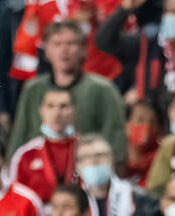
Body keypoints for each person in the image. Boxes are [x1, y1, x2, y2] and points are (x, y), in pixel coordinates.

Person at [12, 20, 126, 162]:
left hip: (85, 171)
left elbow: (115, 141)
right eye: (57, 44)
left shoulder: (103, 89)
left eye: (71, 43)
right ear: (46, 50)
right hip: (38, 173)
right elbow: (19, 137)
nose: (63, 50)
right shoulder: (32, 89)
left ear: (84, 49)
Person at [98, 0, 175, 98]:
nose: (171, 16)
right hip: (152, 115)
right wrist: (124, 9)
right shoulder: (148, 43)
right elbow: (105, 42)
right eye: (167, 12)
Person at [78, 133, 152, 216]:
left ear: (111, 160)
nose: (93, 161)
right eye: (86, 157)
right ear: (78, 167)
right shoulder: (73, 200)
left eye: (100, 155)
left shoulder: (136, 196)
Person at [9, 86, 77, 205]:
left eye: (63, 106)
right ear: (42, 110)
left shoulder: (85, 150)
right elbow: (15, 199)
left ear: (73, 110)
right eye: (50, 106)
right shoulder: (25, 155)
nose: (57, 113)